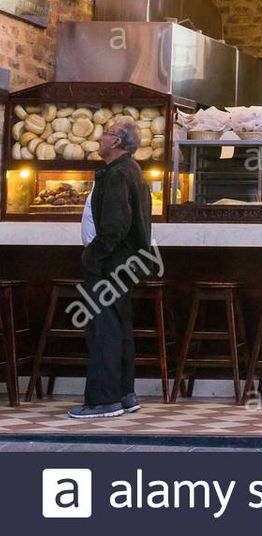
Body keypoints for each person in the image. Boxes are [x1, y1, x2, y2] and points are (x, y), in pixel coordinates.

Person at [71, 117, 153, 419]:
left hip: (110, 264)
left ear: (116, 141)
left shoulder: (118, 174)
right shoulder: (129, 171)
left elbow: (116, 226)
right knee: (117, 328)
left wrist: (93, 255)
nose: (100, 138)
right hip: (123, 264)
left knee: (103, 331)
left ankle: (104, 400)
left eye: (105, 133)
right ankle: (124, 394)